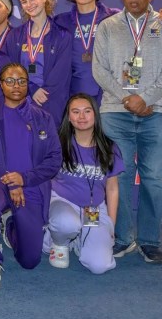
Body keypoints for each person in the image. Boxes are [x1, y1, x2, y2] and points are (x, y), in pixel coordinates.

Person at [92, 0, 162, 264]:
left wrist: (145, 99)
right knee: (119, 176)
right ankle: (122, 238)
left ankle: (149, 241)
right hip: (116, 112)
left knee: (154, 178)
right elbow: (99, 70)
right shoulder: (107, 26)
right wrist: (126, 98)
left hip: (156, 112)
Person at [0, 62, 62, 290]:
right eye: (10, 81)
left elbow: (54, 159)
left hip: (31, 185)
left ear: (28, 84)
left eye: (22, 81)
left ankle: (10, 226)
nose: (16, 85)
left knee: (30, 260)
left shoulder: (43, 118)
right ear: (1, 85)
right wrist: (11, 180)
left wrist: (25, 179)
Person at [43, 92, 123, 273]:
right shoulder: (57, 143)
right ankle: (57, 242)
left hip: (93, 210)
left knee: (99, 266)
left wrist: (111, 224)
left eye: (87, 111)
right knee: (67, 223)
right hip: (62, 202)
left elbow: (112, 188)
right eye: (75, 111)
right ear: (69, 117)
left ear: (95, 114)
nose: (81, 116)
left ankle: (80, 240)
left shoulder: (109, 147)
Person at [12, 0, 72, 129]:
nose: (29, 5)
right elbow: (11, 68)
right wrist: (31, 89)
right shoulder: (15, 35)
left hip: (50, 101)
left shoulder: (62, 35)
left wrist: (42, 95)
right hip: (22, 99)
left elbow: (61, 73)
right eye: (24, 2)